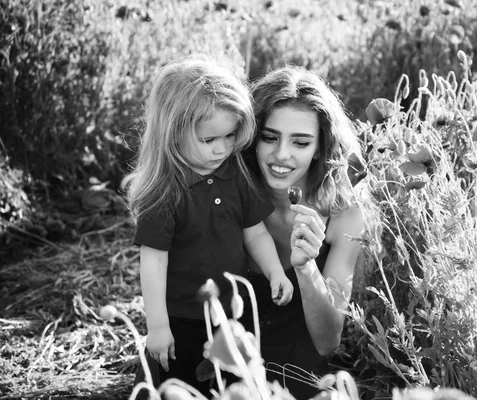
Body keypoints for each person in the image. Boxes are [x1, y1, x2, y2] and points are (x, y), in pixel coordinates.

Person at [123, 55, 293, 396]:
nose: (222, 148)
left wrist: (275, 270)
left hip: (233, 308)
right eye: (208, 140)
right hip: (183, 316)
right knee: (186, 386)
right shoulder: (166, 192)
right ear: (172, 133)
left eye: (230, 136)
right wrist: (157, 326)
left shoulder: (235, 175)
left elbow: (254, 231)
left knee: (234, 381)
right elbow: (154, 261)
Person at [243, 65, 375, 399]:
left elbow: (328, 341)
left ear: (320, 147)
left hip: (294, 370)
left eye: (300, 142)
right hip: (222, 347)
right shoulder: (229, 193)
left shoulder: (345, 213)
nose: (281, 154)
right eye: (269, 137)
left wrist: (305, 268)